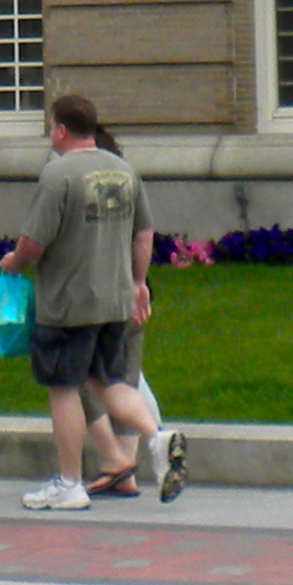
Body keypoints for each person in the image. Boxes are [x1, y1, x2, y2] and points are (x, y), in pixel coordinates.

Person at [0, 92, 169, 511]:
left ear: (60, 129)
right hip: (115, 299)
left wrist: (13, 262)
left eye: (51, 128)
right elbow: (144, 234)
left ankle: (69, 483)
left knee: (63, 387)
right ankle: (157, 437)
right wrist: (138, 282)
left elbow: (35, 241)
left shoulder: (58, 175)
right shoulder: (125, 171)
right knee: (108, 381)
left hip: (68, 302)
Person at [79, 118, 184, 504]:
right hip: (133, 295)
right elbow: (144, 236)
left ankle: (120, 460)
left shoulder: (75, 188)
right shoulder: (128, 185)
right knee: (126, 377)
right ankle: (129, 463)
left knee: (79, 378)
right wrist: (140, 285)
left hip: (92, 300)